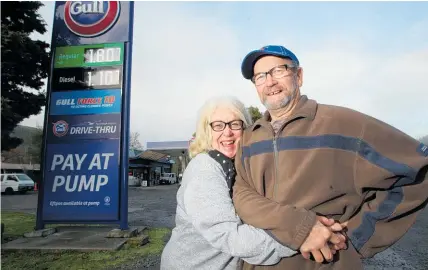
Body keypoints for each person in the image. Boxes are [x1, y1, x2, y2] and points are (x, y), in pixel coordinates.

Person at [232, 44, 428, 269]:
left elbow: (418, 169)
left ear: (299, 75)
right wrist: (301, 227)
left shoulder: (345, 124)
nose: (270, 82)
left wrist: (356, 236)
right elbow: (241, 195)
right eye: (260, 76)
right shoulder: (248, 138)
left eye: (279, 70)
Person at [160, 96, 347, 270]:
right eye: (217, 125)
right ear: (206, 131)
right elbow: (230, 236)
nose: (227, 132)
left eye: (235, 124)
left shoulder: (238, 166)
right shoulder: (205, 169)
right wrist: (300, 236)